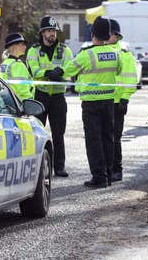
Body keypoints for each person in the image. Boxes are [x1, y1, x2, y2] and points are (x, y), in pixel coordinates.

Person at [56, 16, 121, 188]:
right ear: (107, 34)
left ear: (92, 33)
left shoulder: (87, 54)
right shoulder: (115, 53)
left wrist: (56, 72)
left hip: (91, 103)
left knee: (94, 141)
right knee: (108, 139)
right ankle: (107, 175)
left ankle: (98, 177)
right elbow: (119, 69)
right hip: (108, 101)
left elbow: (68, 69)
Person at [26, 16, 73, 177]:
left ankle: (59, 167)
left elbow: (70, 67)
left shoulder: (65, 50)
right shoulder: (34, 50)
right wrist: (48, 73)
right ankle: (36, 167)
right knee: (37, 134)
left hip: (58, 97)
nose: (52, 34)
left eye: (53, 31)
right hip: (41, 96)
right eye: (49, 31)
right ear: (42, 33)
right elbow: (33, 70)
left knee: (58, 134)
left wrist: (59, 72)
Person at [108, 19, 138, 182]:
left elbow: (131, 78)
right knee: (104, 137)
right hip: (103, 99)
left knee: (115, 138)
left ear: (115, 35)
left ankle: (117, 170)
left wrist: (125, 99)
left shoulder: (124, 53)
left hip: (117, 102)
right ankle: (107, 169)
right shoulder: (102, 49)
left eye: (109, 34)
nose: (107, 36)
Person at [0, 33, 34, 101]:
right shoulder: (17, 64)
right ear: (14, 46)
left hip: (10, 102)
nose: (25, 47)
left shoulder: (5, 63)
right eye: (22, 44)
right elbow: (23, 89)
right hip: (21, 103)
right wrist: (30, 101)